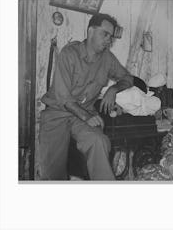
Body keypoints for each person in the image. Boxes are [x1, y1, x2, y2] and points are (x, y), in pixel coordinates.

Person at [38, 13, 133, 180]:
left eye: (111, 37)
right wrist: (87, 117)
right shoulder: (69, 54)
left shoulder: (107, 58)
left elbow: (128, 78)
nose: (108, 40)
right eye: (105, 34)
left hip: (83, 115)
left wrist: (113, 90)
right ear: (90, 31)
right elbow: (64, 98)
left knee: (99, 141)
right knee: (52, 175)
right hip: (57, 114)